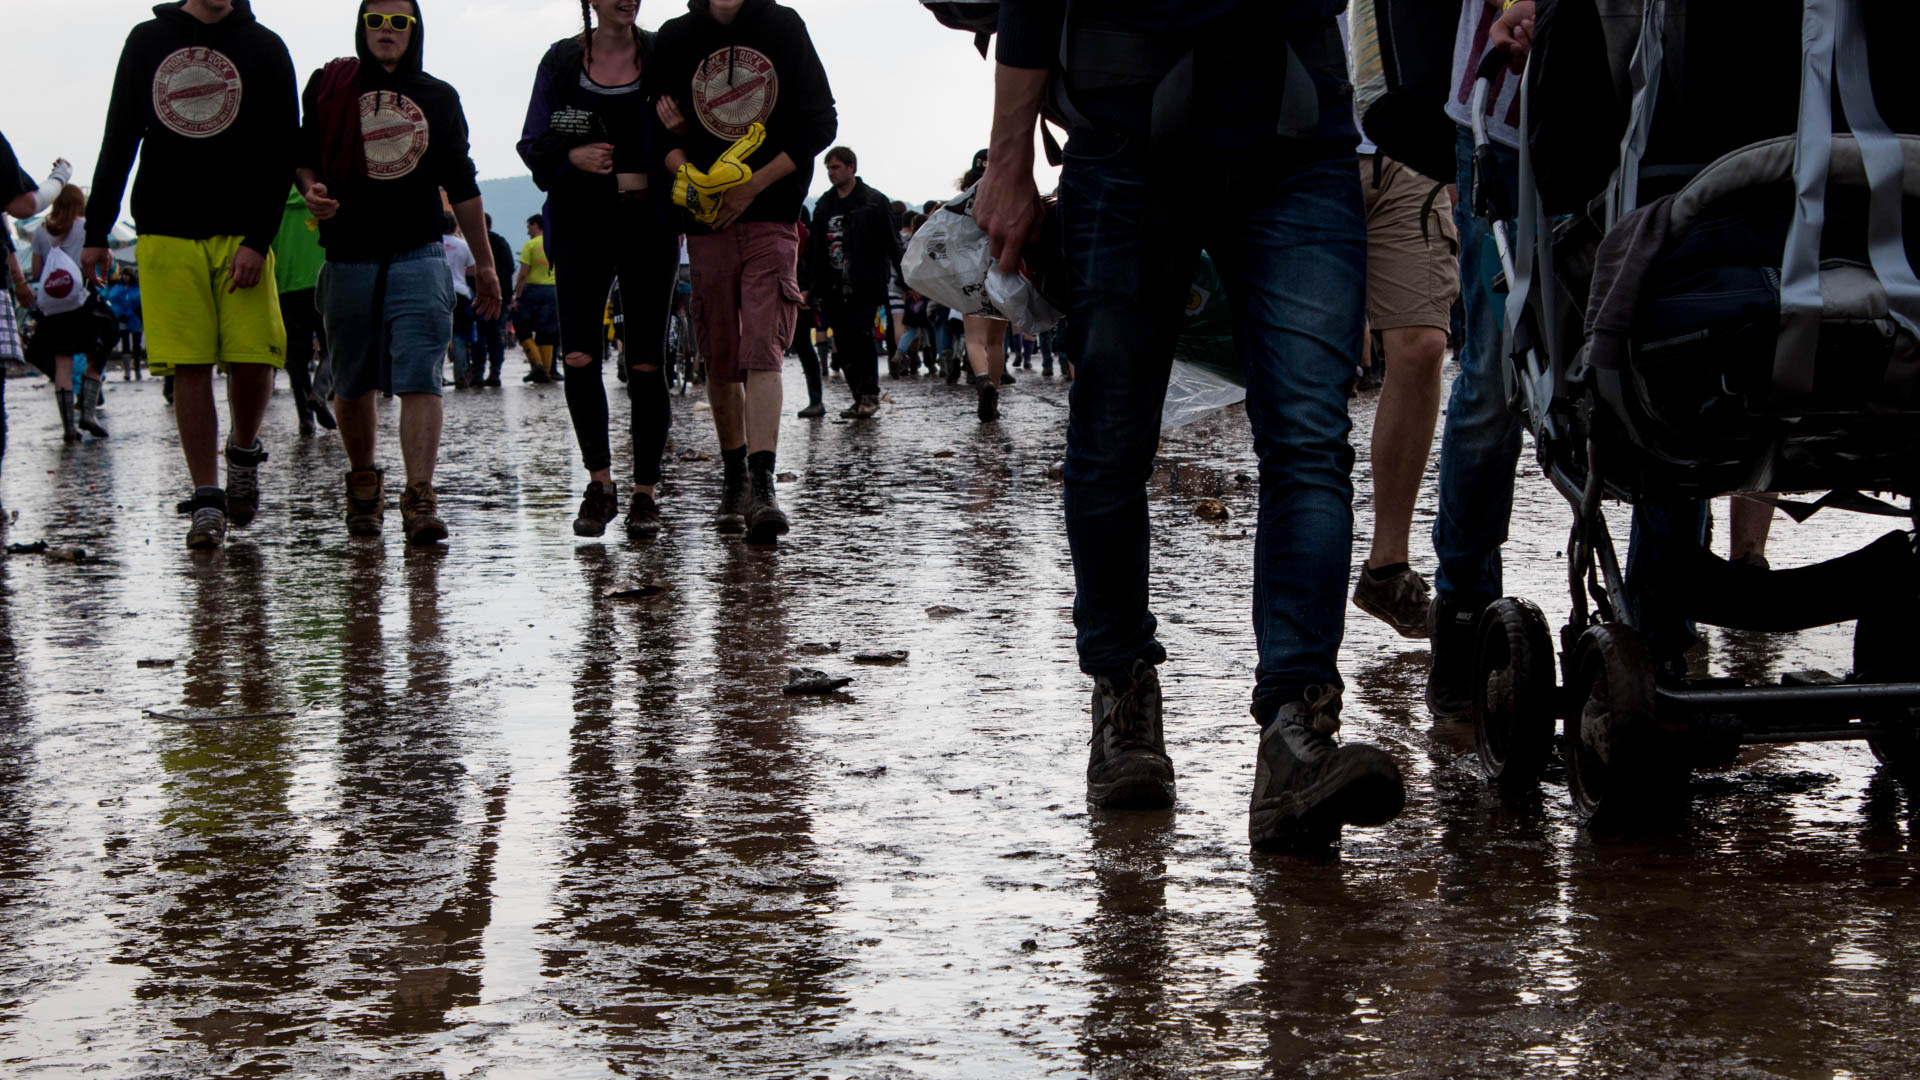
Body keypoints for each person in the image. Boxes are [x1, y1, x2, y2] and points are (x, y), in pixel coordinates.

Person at [976, 2, 1407, 850]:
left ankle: (1297, 727)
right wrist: (1009, 160)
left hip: (1298, 135)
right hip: (1124, 135)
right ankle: (1124, 699)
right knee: (1109, 442)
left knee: (1310, 438)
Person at [82, 0, 298, 550]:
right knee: (191, 364)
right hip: (165, 227)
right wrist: (95, 232)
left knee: (254, 358)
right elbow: (119, 136)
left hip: (241, 227)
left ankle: (244, 450)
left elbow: (282, 151)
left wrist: (258, 237)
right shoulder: (147, 39)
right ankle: (206, 498)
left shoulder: (265, 45)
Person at [296, 0, 502, 547]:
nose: (386, 31)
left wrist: (484, 264)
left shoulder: (438, 96)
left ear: (415, 31)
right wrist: (309, 188)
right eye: (376, 21)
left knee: (421, 375)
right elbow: (303, 155)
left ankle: (419, 494)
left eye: (399, 22)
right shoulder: (328, 84)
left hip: (419, 253)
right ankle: (364, 485)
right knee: (352, 378)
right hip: (347, 254)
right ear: (362, 27)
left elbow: (462, 183)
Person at [654, 0, 838, 543]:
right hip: (706, 223)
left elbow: (818, 123)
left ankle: (762, 485)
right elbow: (661, 131)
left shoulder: (783, 26)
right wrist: (695, 177)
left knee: (763, 349)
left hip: (772, 215)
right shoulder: (676, 36)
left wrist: (750, 185)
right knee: (719, 356)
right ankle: (733, 476)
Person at [518, 0, 681, 540]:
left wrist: (681, 133)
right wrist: (571, 161)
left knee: (645, 362)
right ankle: (600, 483)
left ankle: (645, 493)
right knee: (580, 354)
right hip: (581, 221)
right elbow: (532, 141)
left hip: (647, 221)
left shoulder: (662, 54)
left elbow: (700, 129)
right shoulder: (563, 61)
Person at [1343, 6, 1459, 640]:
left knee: (1421, 344)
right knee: (1319, 370)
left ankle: (1387, 564)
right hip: (1304, 152)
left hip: (1407, 142)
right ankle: (1309, 566)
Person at [807, 145, 900, 419]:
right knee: (843, 342)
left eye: (836, 167)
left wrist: (905, 281)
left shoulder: (873, 201)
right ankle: (858, 396)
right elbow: (815, 249)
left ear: (851, 167)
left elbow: (892, 244)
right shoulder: (825, 204)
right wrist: (811, 285)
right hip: (832, 284)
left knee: (861, 336)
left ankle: (869, 395)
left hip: (865, 282)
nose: (831, 173)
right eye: (828, 169)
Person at [28, 184, 111, 442]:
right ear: (80, 203)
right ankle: (87, 413)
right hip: (84, 299)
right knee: (96, 354)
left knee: (62, 362)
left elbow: (37, 271)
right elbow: (103, 259)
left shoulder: (41, 232)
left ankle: (68, 428)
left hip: (56, 307)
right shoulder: (86, 227)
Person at [271, 183, 335, 434]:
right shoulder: (321, 198)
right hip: (326, 282)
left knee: (296, 359)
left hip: (287, 287)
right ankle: (320, 391)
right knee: (333, 347)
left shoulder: (274, 203)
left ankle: (305, 419)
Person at [513, 215, 561, 382]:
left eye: (528, 227)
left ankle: (537, 364)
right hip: (553, 291)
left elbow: (523, 274)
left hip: (533, 290)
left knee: (521, 325)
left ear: (535, 224)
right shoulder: (554, 242)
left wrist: (517, 297)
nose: (527, 231)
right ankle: (546, 372)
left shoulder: (530, 245)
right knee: (548, 330)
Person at [472, 213, 515, 387]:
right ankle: (495, 373)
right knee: (496, 335)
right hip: (500, 296)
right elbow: (511, 268)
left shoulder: (475, 244)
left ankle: (477, 373)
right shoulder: (501, 242)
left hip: (479, 296)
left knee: (479, 336)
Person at [439, 210, 477, 388]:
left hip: (437, 291)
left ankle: (437, 376)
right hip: (460, 293)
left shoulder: (434, 243)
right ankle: (460, 374)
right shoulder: (462, 245)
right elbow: (472, 270)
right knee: (460, 336)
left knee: (435, 337)